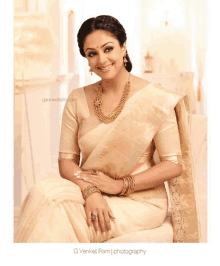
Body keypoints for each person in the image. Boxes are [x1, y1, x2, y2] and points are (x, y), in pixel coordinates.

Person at [14, 15, 200, 243]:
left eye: (108, 48)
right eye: (92, 53)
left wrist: (119, 185)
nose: (101, 59)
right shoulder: (76, 99)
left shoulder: (156, 99)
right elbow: (67, 162)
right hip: (89, 189)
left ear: (123, 48)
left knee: (60, 218)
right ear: (87, 60)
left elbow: (173, 165)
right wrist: (89, 191)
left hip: (139, 200)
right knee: (44, 195)